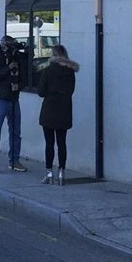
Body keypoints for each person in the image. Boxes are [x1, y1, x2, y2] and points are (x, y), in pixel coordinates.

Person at [38, 44, 79, 186]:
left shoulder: (48, 70)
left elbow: (41, 92)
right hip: (64, 110)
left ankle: (49, 173)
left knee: (49, 144)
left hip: (49, 109)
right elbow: (71, 90)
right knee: (62, 143)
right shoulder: (70, 71)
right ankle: (62, 173)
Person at [0, 35, 27, 174]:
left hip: (14, 99)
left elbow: (24, 77)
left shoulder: (17, 59)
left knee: (15, 133)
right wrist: (8, 68)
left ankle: (14, 160)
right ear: (2, 45)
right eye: (8, 45)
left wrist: (18, 86)